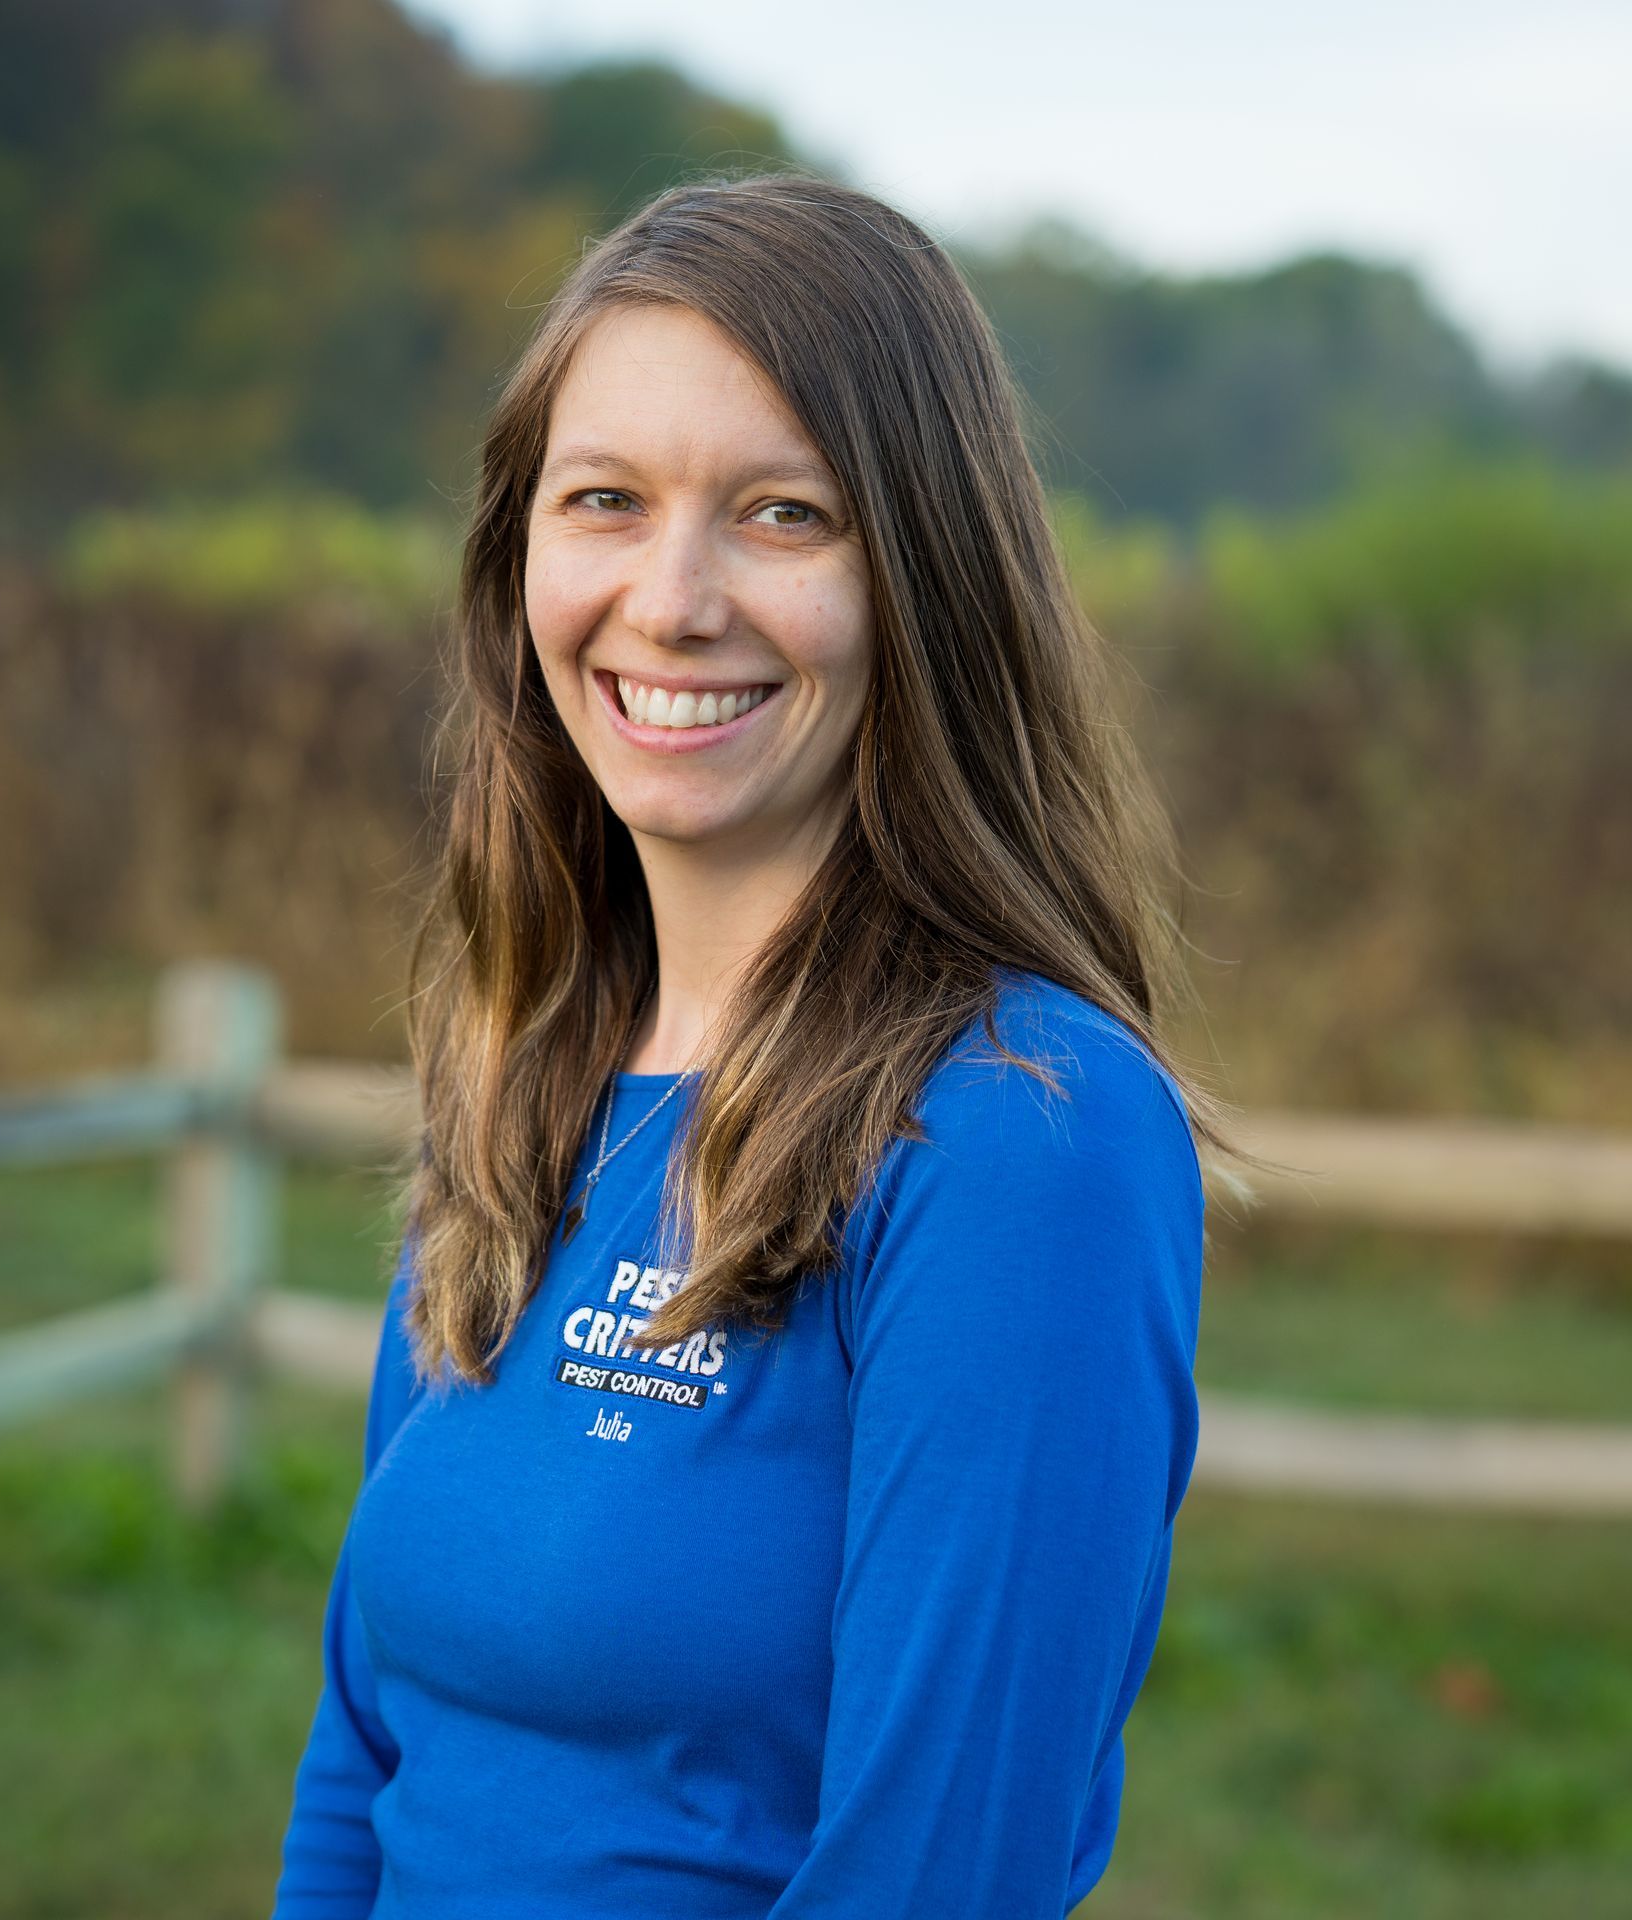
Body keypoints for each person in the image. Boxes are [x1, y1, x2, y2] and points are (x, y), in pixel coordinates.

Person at [272, 169, 1255, 1919]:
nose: (672, 597)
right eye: (605, 501)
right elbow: (368, 1752)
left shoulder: (1023, 1132)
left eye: (784, 515)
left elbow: (935, 1880)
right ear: (520, 564)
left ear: (926, 580)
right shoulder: (523, 1079)